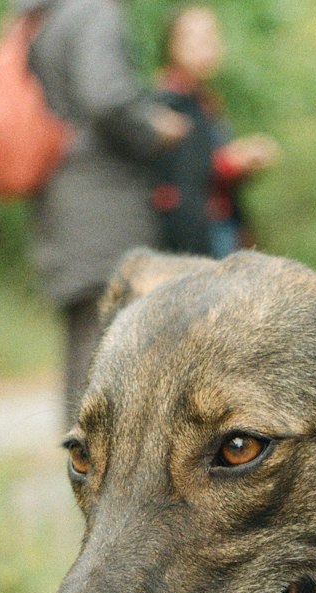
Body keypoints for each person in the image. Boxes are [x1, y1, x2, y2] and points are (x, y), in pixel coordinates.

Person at [25, 0, 191, 420]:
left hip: (63, 196)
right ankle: (97, 473)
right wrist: (153, 127)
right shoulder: (94, 10)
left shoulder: (45, 17)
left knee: (86, 331)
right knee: (109, 332)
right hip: (103, 199)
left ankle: (83, 468)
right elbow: (105, 96)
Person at [151, 5, 278, 259]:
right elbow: (188, 176)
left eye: (210, 37)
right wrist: (236, 161)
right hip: (196, 241)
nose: (205, 47)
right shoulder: (169, 103)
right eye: (193, 39)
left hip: (220, 230)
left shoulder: (204, 102)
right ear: (171, 46)